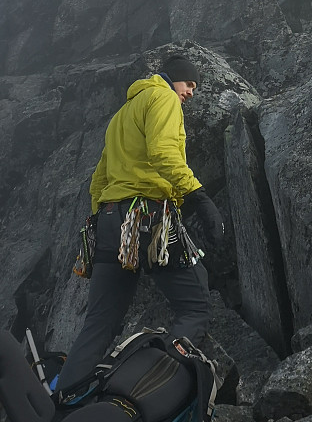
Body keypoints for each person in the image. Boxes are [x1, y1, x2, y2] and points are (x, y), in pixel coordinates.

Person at [56, 55, 225, 394]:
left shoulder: (121, 116)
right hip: (146, 218)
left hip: (109, 220)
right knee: (195, 305)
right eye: (189, 84)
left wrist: (104, 220)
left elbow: (98, 180)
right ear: (173, 78)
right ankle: (147, 390)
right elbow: (163, 152)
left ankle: (63, 398)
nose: (191, 92)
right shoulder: (162, 97)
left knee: (100, 322)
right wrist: (197, 194)